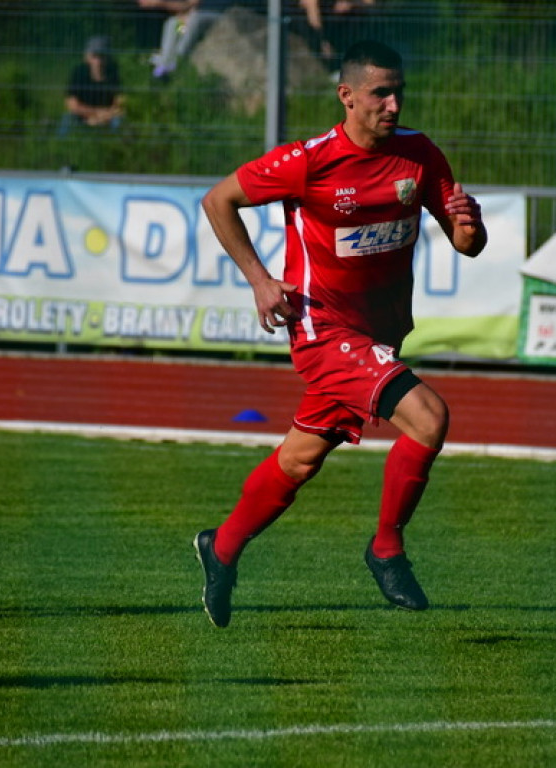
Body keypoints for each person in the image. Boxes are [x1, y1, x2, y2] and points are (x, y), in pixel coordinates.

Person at [195, 40, 487, 628]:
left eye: (399, 91)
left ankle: (220, 548)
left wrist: (468, 227)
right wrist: (259, 280)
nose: (394, 104)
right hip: (322, 328)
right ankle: (386, 548)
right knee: (428, 417)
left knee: (300, 459)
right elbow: (218, 199)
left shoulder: (420, 156)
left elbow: (466, 245)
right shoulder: (309, 161)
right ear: (347, 97)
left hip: (379, 333)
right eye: (380, 93)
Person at [137, 0, 236, 81]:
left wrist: (160, 3)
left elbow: (193, 6)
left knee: (194, 19)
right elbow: (190, 5)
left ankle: (177, 61)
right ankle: (163, 67)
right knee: (174, 23)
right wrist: (184, 15)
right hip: (194, 16)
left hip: (219, 14)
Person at [59, 36, 124, 135]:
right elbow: (72, 105)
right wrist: (95, 114)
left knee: (119, 121)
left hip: (108, 117)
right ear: (87, 57)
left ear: (108, 58)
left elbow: (120, 105)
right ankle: (61, 147)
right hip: (83, 115)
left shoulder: (114, 73)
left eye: (102, 56)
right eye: (95, 56)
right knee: (67, 119)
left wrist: (103, 117)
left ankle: (116, 146)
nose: (98, 61)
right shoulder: (78, 73)